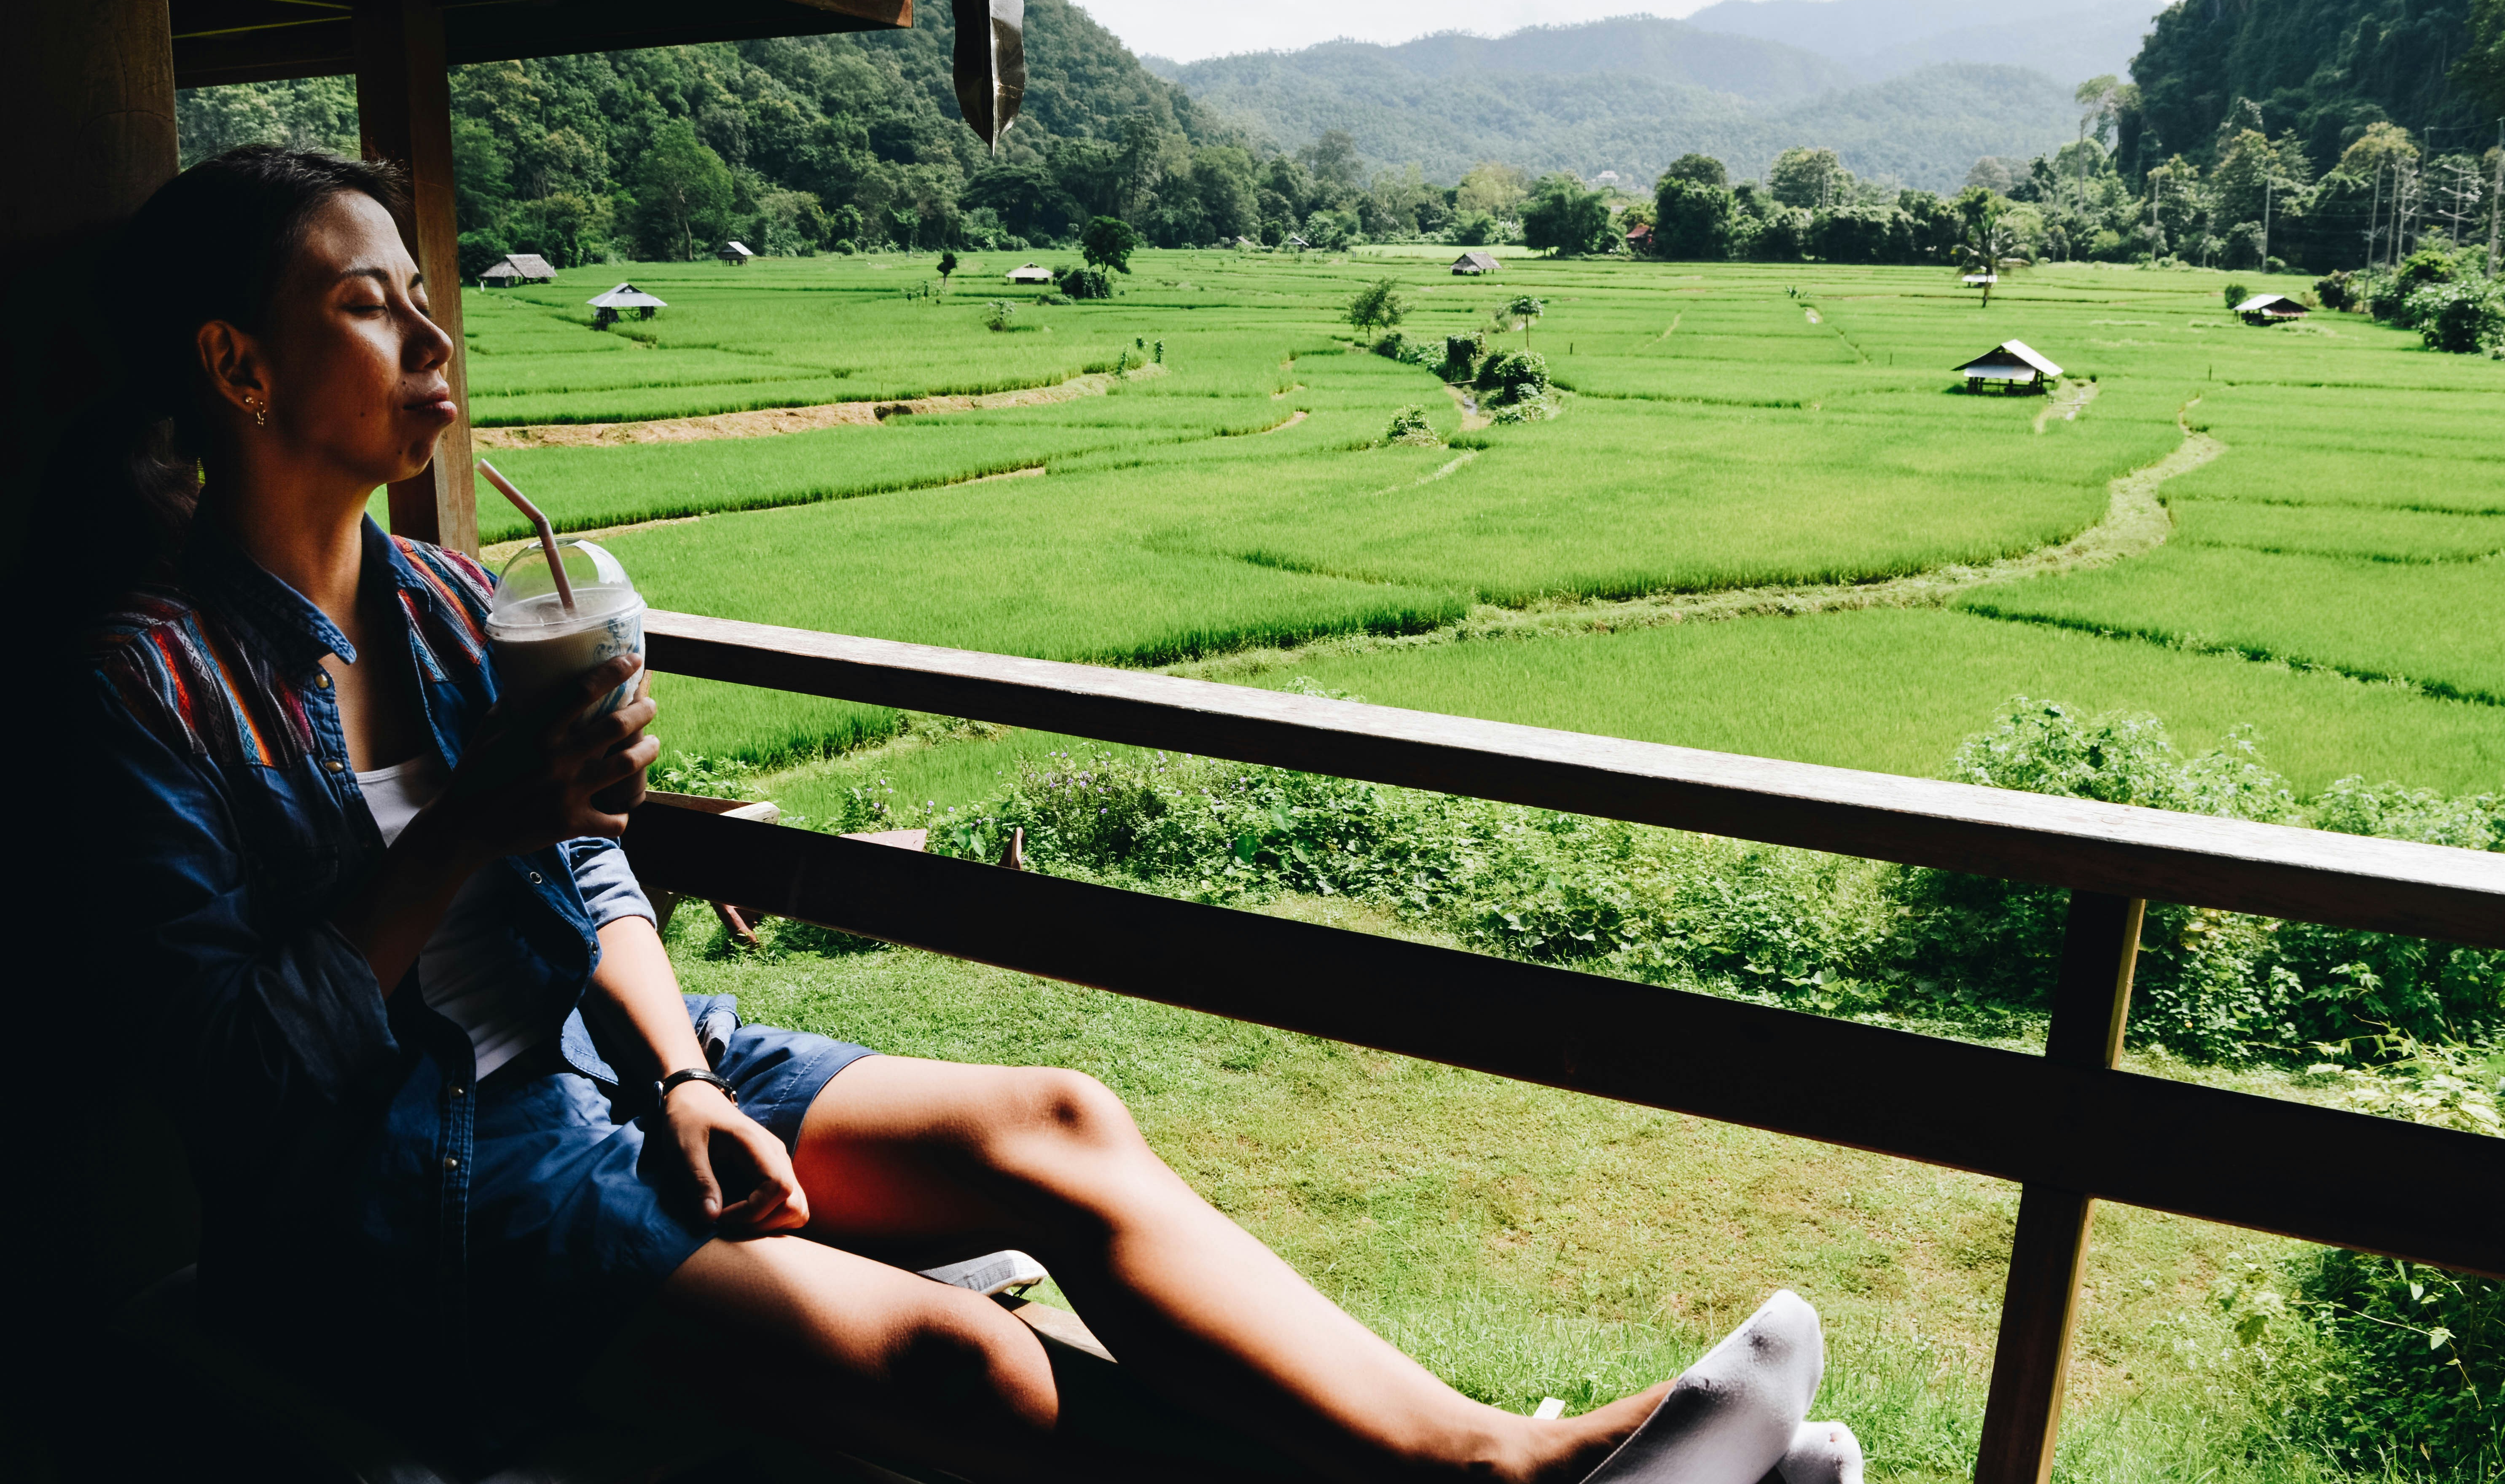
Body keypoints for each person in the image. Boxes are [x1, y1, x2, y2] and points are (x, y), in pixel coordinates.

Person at [63, 146, 1857, 1483]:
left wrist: (681, 1071)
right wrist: (460, 830)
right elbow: (226, 1067)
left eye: (422, 287)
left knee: (1057, 1119)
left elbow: (589, 865)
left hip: (607, 1071)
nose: (431, 328)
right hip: (406, 1188)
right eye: (368, 301)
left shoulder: (451, 604)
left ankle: (1493, 1457)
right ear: (236, 368)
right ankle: (1510, 1477)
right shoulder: (145, 674)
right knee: (964, 1375)